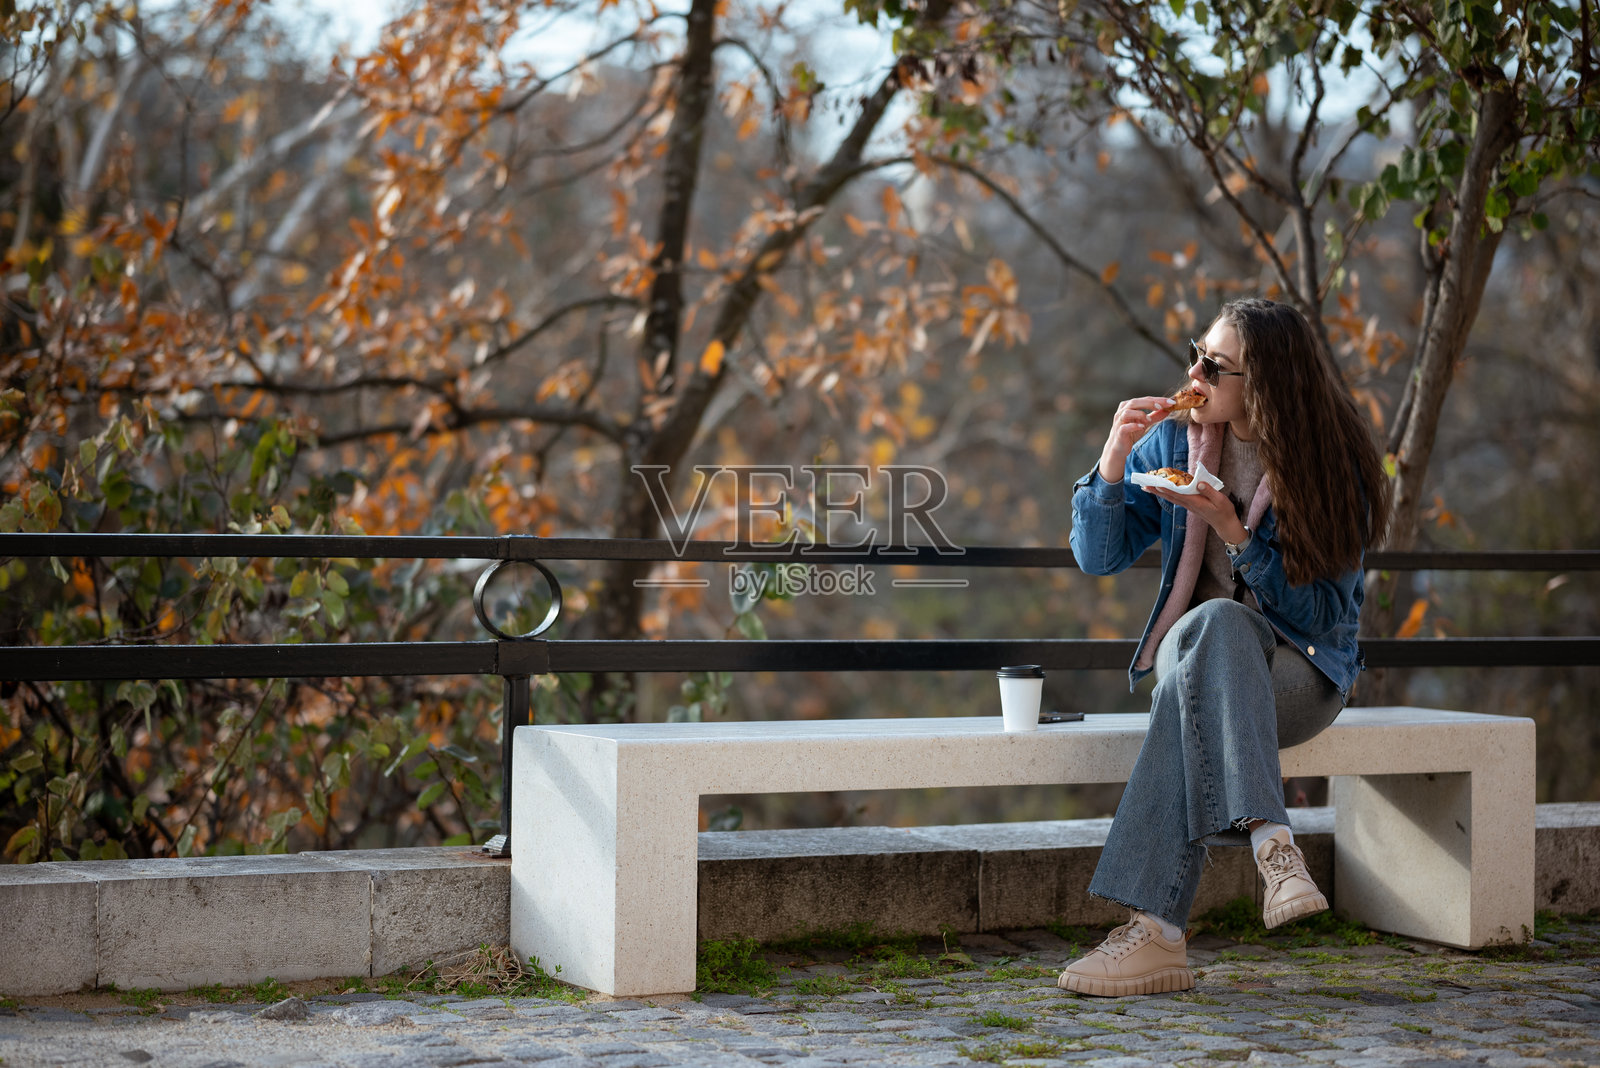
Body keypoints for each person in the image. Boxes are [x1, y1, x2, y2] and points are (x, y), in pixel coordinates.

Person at [1059, 298, 1392, 997]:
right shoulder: (1176, 443)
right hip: (1194, 658)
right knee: (1212, 627)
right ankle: (1274, 847)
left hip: (1299, 674)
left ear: (1263, 384)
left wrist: (1235, 535)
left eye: (1216, 366)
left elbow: (1322, 614)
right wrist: (1112, 463)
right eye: (1197, 355)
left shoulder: (1330, 464)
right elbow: (1097, 556)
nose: (1195, 374)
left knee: (1213, 641)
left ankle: (1156, 934)